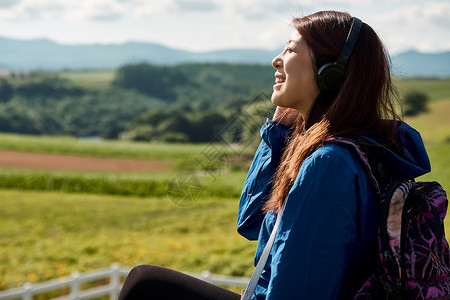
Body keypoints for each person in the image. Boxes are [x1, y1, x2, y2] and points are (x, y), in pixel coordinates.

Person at [118, 10, 431, 300]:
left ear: (330, 73)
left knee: (145, 286)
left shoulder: (329, 164)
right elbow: (253, 222)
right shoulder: (362, 148)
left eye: (291, 49)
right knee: (145, 282)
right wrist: (279, 132)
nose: (276, 60)